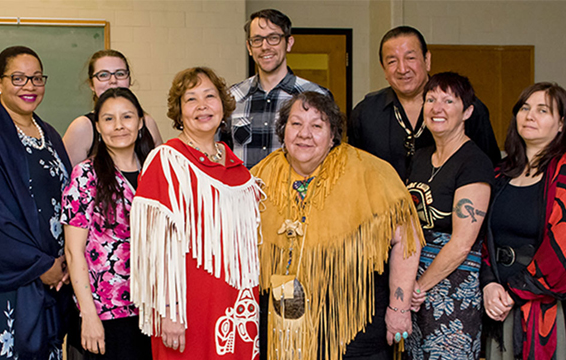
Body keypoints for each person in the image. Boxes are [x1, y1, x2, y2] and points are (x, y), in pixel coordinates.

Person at [252, 91, 422, 360]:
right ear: (283, 131)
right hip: (284, 323)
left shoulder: (371, 173)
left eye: (317, 126)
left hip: (354, 325)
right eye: (296, 124)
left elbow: (407, 239)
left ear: (333, 136)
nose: (304, 134)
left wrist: (399, 308)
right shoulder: (259, 176)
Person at [129, 67, 263, 359]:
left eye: (210, 96)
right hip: (186, 307)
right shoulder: (166, 160)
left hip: (236, 302)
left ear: (223, 106)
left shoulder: (237, 169)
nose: (202, 106)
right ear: (179, 112)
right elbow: (153, 248)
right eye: (191, 99)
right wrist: (168, 309)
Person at [0, 46, 71, 359]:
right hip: (2, 284)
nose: (30, 86)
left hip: (51, 278)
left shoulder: (49, 135)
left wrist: (64, 261)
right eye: (18, 78)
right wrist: (41, 265)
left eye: (36, 78)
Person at [481, 83, 566, 360]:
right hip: (499, 303)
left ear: (561, 124)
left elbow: (565, 245)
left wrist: (514, 292)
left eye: (543, 110)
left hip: (545, 310)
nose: (529, 116)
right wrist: (489, 283)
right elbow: (481, 235)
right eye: (525, 108)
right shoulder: (501, 172)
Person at [399, 72, 494, 359]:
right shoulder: (420, 156)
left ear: (467, 111)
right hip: (413, 282)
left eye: (448, 100)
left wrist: (419, 286)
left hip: (451, 286)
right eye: (431, 99)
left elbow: (462, 243)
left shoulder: (474, 162)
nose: (437, 108)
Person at [60, 87, 156, 359]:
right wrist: (89, 316)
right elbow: (73, 251)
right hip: (107, 312)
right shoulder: (86, 175)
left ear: (140, 123)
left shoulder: (157, 170)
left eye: (126, 117)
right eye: (108, 119)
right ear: (98, 128)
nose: (118, 126)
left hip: (155, 311)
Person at [348, 26, 500, 182]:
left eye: (410, 58)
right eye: (392, 61)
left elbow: (490, 169)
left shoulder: (465, 108)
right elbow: (355, 174)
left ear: (427, 60)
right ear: (383, 68)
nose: (402, 69)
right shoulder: (365, 113)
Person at [222, 8, 330, 168]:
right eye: (257, 40)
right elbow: (219, 154)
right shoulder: (232, 98)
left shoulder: (316, 96)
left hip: (296, 192)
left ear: (289, 43)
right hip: (244, 192)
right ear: (249, 47)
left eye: (273, 38)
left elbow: (329, 156)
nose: (265, 46)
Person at [62, 49, 163, 164]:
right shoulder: (82, 127)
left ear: (129, 80)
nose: (113, 81)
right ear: (91, 84)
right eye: (103, 75)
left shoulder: (147, 122)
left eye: (120, 74)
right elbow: (67, 179)